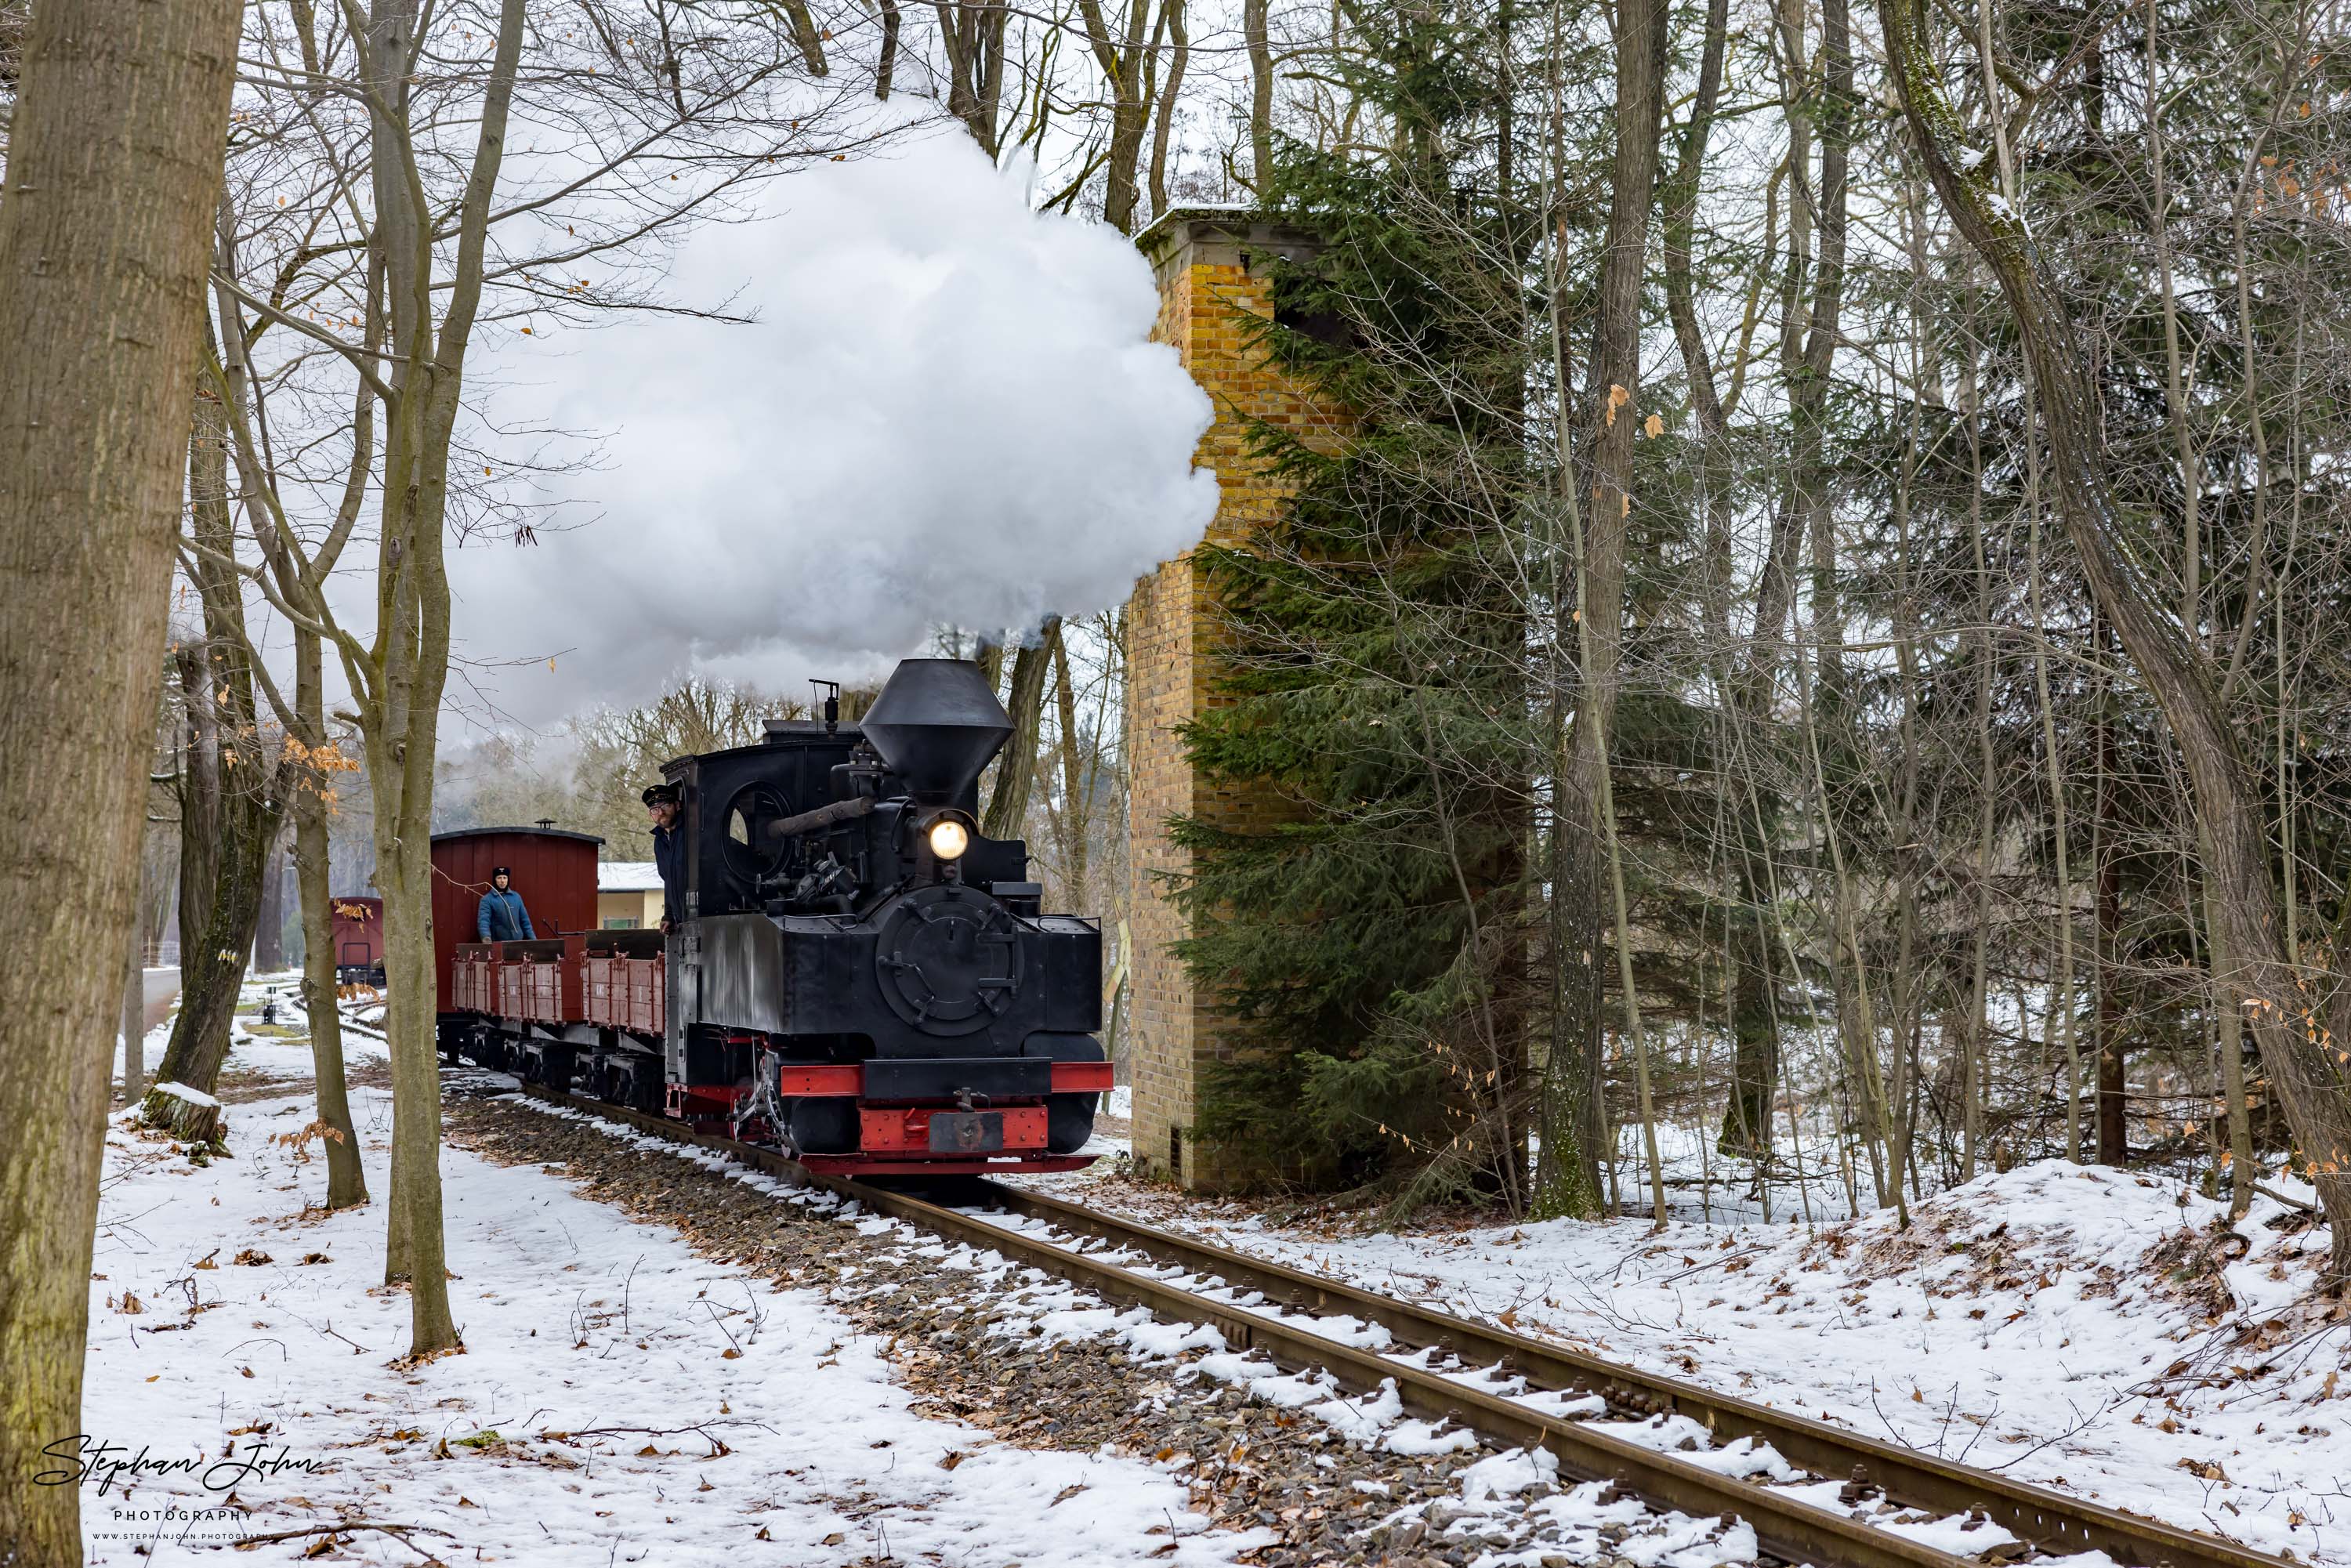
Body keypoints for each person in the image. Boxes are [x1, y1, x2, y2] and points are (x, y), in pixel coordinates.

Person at [644, 783, 684, 933]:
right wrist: (668, 916)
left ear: (677, 805)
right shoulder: (660, 840)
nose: (660, 813)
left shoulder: (691, 833)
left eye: (665, 806)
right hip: (680, 918)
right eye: (654, 809)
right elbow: (669, 880)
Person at [476, 866, 535, 943]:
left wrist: (533, 940)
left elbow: (525, 920)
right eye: (499, 878)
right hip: (499, 944)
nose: (502, 881)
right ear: (495, 880)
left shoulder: (516, 897)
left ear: (508, 879)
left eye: (505, 878)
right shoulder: (487, 899)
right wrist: (487, 940)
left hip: (518, 943)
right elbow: (484, 922)